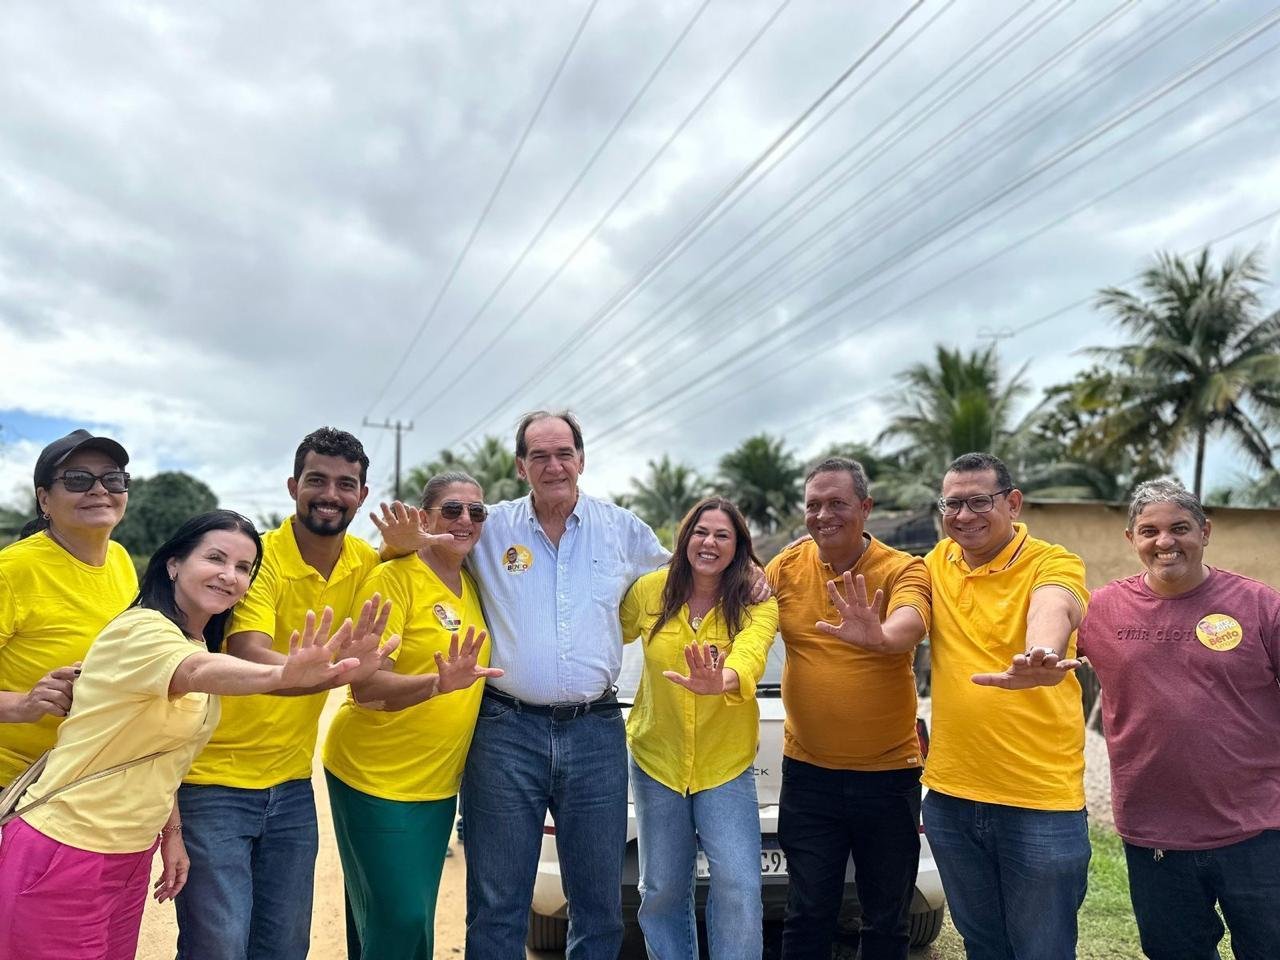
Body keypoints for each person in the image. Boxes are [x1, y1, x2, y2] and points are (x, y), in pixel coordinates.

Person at [0, 510, 387, 960]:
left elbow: (160, 754)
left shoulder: (193, 640)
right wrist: (281, 674)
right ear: (173, 564)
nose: (229, 575)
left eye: (243, 568)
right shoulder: (143, 630)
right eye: (215, 558)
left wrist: (173, 833)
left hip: (127, 854)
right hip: (67, 847)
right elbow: (197, 672)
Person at [175, 427, 424, 960]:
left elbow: (396, 564)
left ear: (362, 494)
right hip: (212, 780)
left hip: (291, 784)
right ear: (293, 486)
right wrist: (323, 672)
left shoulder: (365, 561)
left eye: (345, 484)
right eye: (317, 480)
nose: (330, 494)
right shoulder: (259, 558)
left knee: (286, 946)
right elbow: (248, 652)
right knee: (217, 946)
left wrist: (399, 548)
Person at [461, 410, 669, 959]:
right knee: (497, 904)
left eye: (563, 454)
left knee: (598, 906)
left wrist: (753, 577)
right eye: (539, 456)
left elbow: (690, 577)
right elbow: (425, 555)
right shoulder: (489, 528)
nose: (553, 466)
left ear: (581, 459)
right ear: (520, 466)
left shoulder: (623, 529)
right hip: (505, 733)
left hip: (595, 732)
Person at [1074, 479, 1280, 959]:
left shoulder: (1259, 605)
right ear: (1132, 539)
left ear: (1205, 531)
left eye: (1180, 528)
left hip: (1259, 828)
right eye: (1149, 531)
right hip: (1154, 832)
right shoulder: (1101, 609)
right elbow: (1042, 649)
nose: (1165, 541)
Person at [322, 471, 504, 960]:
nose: (465, 520)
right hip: (374, 777)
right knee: (400, 918)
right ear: (424, 518)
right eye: (452, 509)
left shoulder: (472, 583)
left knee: (398, 917)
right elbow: (365, 687)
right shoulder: (393, 579)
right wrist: (437, 684)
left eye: (476, 511)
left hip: (437, 786)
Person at [921, 452, 1091, 960]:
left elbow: (1055, 603)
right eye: (952, 504)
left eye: (979, 501)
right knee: (983, 946)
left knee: (1043, 950)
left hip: (1039, 801)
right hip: (951, 796)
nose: (964, 515)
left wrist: (1042, 651)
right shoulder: (937, 562)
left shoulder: (1052, 561)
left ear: (1012, 503)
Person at [765, 457, 931, 960]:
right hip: (809, 775)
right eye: (813, 505)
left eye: (837, 503)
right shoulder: (787, 566)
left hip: (888, 777)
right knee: (808, 913)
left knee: (886, 919)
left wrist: (880, 636)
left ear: (865, 507)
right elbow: (745, 615)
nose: (823, 515)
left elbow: (912, 620)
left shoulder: (903, 567)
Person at [622, 496, 778, 960]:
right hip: (657, 760)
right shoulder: (649, 591)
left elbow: (753, 650)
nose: (709, 542)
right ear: (685, 537)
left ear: (738, 547)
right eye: (701, 532)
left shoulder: (756, 601)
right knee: (661, 888)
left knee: (739, 885)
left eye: (722, 535)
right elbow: (604, 631)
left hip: (723, 765)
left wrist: (723, 679)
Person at [0, 430, 136, 781]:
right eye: (77, 479)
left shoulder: (120, 559)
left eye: (113, 479)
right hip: (12, 780)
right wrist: (24, 705)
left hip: (84, 777)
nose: (99, 489)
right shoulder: (12, 571)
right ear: (44, 500)